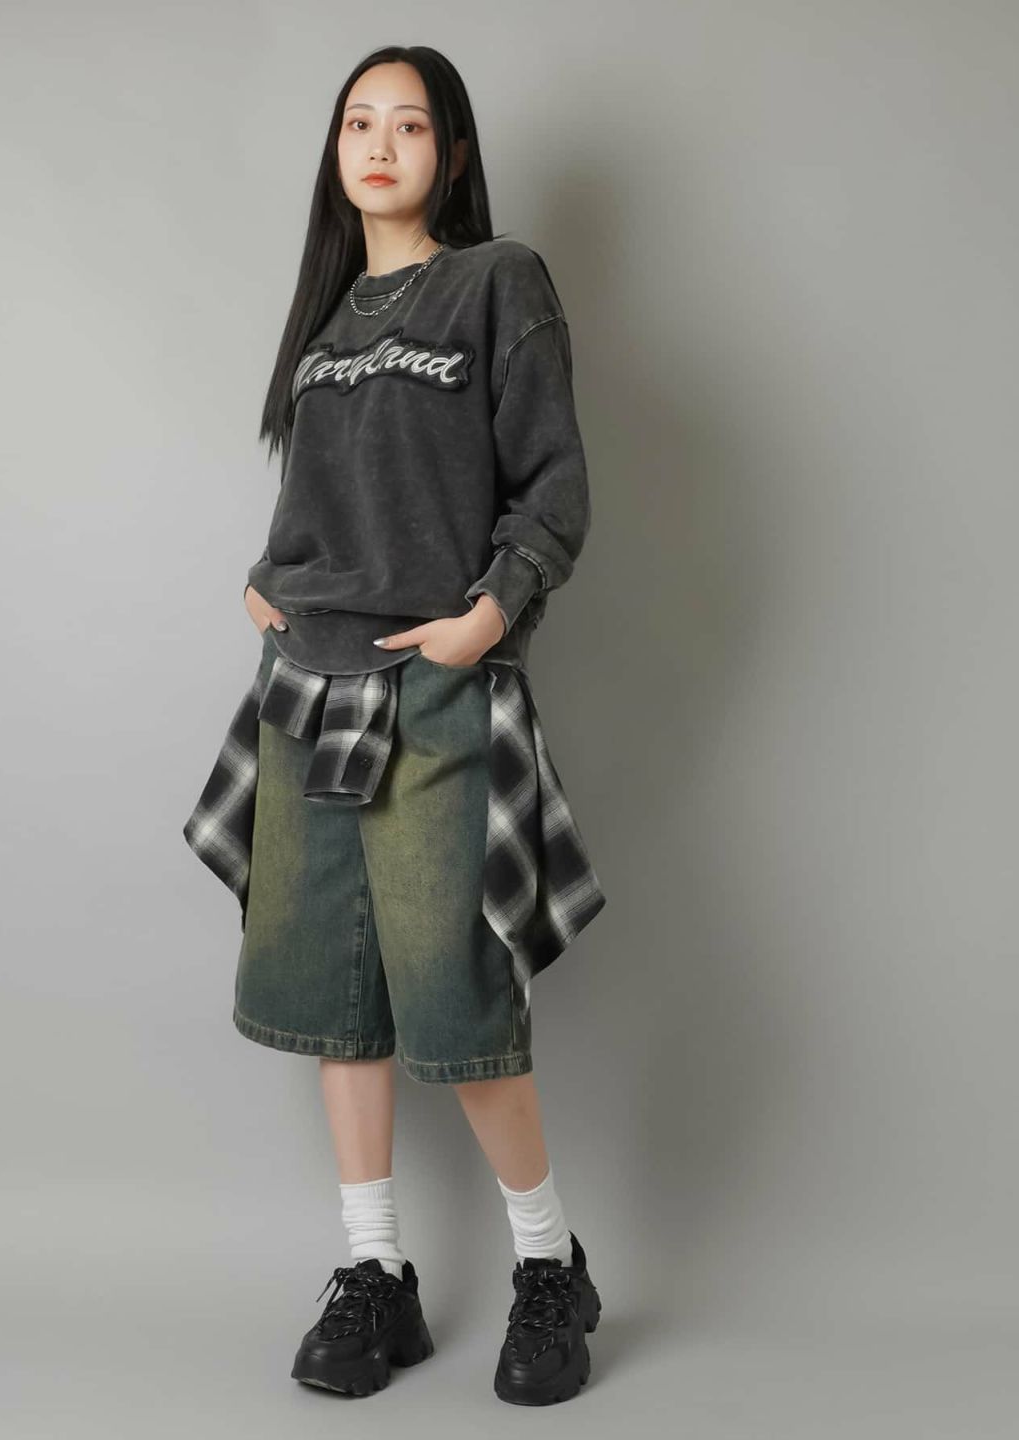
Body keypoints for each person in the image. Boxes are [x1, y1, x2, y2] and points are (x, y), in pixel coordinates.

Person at [183, 44, 606, 1406]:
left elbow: (552, 488)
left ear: (453, 152)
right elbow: (321, 504)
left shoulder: (498, 283)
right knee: (337, 1003)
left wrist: (490, 617)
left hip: (434, 685)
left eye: (409, 125)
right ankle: (377, 1275)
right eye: (357, 122)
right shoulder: (324, 325)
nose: (378, 145)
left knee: (454, 989)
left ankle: (548, 1265)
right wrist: (269, 580)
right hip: (305, 689)